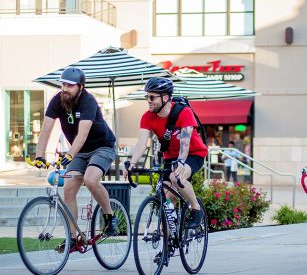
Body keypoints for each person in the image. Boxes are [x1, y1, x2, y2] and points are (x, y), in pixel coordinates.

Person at [33, 67, 117, 252]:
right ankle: (72, 238)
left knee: (90, 179)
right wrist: (39, 155)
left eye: (70, 85)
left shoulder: (88, 101)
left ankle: (110, 217)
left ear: (80, 86)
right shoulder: (57, 100)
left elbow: (83, 134)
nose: (65, 88)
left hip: (102, 147)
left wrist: (69, 154)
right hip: (79, 152)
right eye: (63, 84)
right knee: (69, 188)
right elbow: (46, 129)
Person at [123, 77, 208, 228]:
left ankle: (196, 209)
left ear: (165, 97)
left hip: (193, 154)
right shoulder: (147, 117)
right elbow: (142, 143)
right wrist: (132, 163)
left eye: (152, 97)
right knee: (167, 198)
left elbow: (185, 141)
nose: (148, 100)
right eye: (146, 96)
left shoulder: (184, 112)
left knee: (176, 178)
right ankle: (169, 240)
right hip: (170, 156)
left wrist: (181, 161)